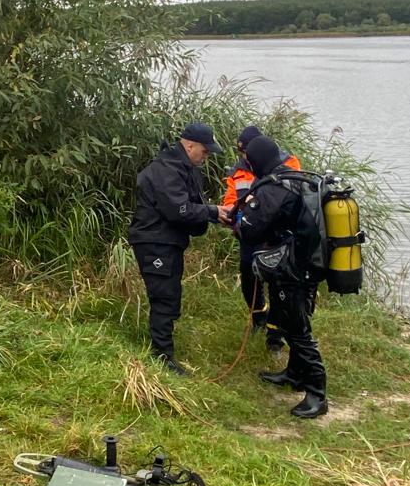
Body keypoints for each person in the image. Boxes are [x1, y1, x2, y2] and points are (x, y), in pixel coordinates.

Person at [128, 123, 232, 374]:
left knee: (170, 295)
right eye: (205, 152)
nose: (206, 157)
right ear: (189, 146)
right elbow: (179, 210)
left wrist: (215, 214)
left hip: (166, 242)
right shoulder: (166, 170)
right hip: (154, 242)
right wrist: (211, 211)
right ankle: (162, 358)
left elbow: (188, 205)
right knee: (164, 297)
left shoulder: (182, 167)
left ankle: (164, 351)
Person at [238, 134, 328, 418]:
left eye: (248, 160)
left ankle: (317, 393)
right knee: (290, 322)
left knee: (298, 329)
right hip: (300, 263)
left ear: (257, 160)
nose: (246, 164)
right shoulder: (290, 177)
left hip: (294, 267)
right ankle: (295, 374)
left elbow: (252, 229)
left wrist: (239, 220)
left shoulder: (274, 188)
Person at [222, 125, 302, 355]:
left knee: (280, 284)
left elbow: (293, 196)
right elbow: (229, 200)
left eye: (248, 152)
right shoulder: (237, 171)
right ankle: (258, 318)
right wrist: (233, 214)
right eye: (242, 153)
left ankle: (275, 337)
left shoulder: (288, 163)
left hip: (279, 236)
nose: (245, 157)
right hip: (250, 231)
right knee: (249, 277)